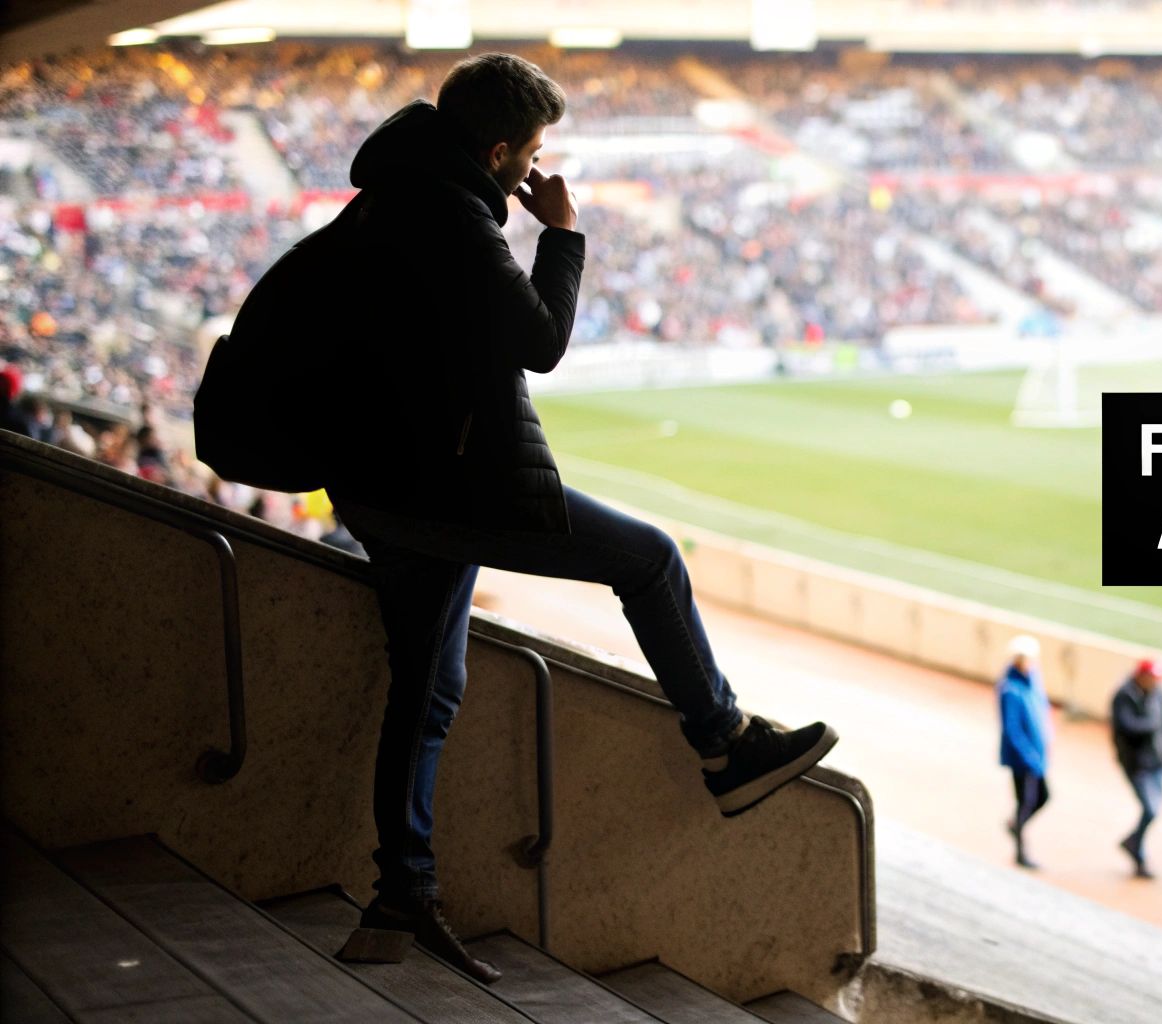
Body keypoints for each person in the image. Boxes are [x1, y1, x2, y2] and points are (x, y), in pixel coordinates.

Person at [314, 54, 837, 983]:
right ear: (503, 147)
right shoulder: (451, 215)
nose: (535, 169)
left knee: (425, 688)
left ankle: (403, 890)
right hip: (448, 491)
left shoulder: (396, 195)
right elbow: (543, 343)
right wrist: (561, 232)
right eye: (532, 153)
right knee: (648, 559)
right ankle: (724, 745)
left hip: (383, 487)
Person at [1111, 658, 1162, 880]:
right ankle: (1136, 848)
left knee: (1155, 807)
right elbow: (1128, 727)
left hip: (1157, 761)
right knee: (1151, 809)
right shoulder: (1124, 695)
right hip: (1137, 764)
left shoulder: (1159, 694)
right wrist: (1152, 725)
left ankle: (1134, 844)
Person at [998, 634, 1051, 870]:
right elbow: (1012, 729)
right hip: (1023, 759)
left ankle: (1016, 826)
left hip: (1036, 756)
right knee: (1025, 801)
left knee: (1041, 797)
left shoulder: (1033, 680)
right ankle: (1020, 850)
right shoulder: (1010, 688)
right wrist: (1028, 756)